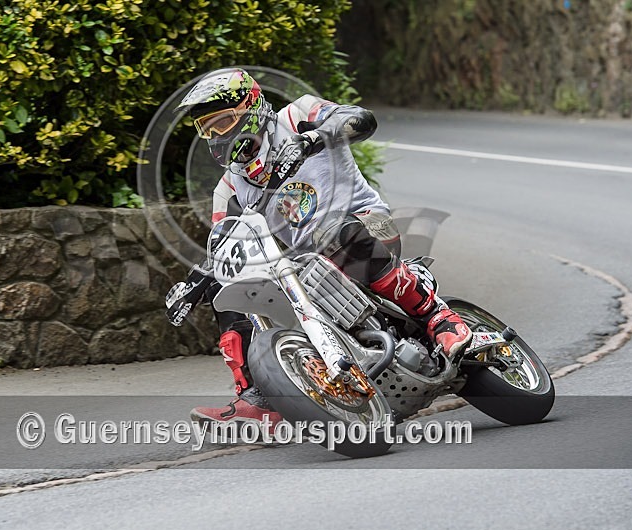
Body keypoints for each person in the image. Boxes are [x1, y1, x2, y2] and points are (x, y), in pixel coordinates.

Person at [172, 68, 472, 427]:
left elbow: (361, 119)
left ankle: (439, 316)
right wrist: (200, 278)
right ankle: (258, 397)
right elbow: (226, 242)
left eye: (222, 123)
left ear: (250, 108)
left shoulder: (298, 115)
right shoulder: (229, 188)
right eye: (207, 129)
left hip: (370, 222)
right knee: (229, 289)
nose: (216, 136)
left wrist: (311, 140)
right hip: (312, 261)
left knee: (331, 233)